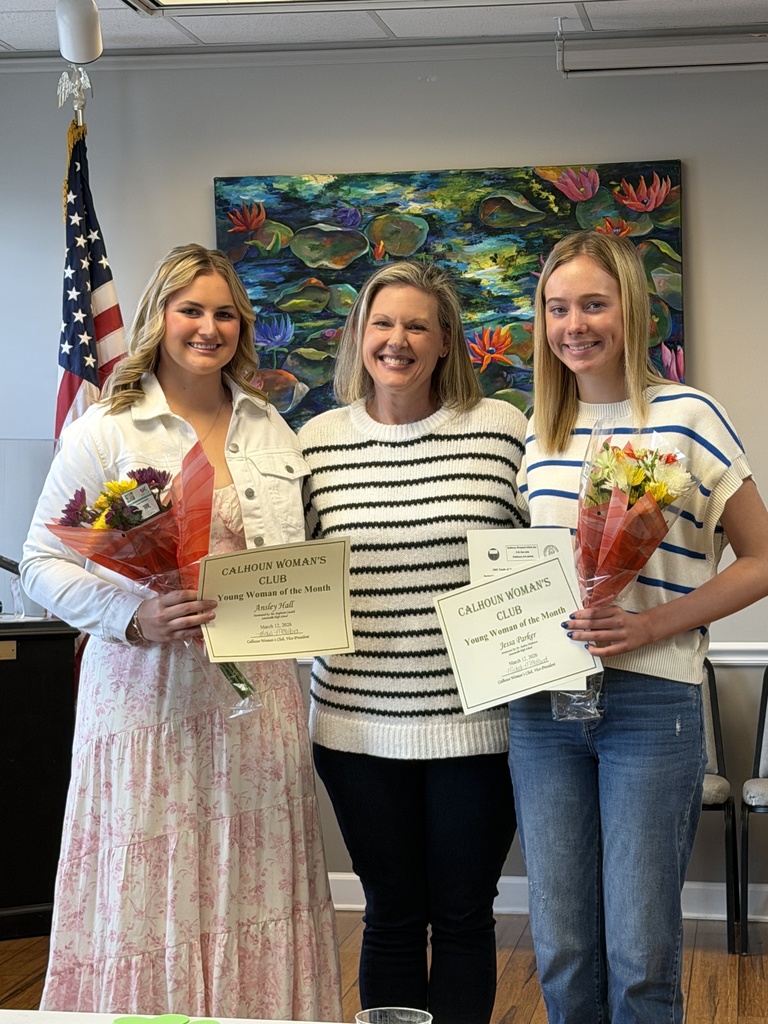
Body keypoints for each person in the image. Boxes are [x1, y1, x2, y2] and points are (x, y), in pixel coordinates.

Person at [20, 244, 342, 1020]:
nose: (208, 326)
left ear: (243, 325)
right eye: (191, 309)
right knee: (150, 875)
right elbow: (39, 562)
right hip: (144, 693)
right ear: (158, 317)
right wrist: (132, 615)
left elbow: (292, 563)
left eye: (225, 312)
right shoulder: (106, 428)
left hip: (256, 696)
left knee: (252, 876)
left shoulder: (273, 430)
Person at [509, 230, 768, 1024]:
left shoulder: (689, 415)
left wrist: (652, 624)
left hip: (653, 709)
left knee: (641, 954)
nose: (574, 324)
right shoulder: (536, 429)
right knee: (558, 943)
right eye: (557, 308)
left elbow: (759, 559)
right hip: (543, 709)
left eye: (594, 303)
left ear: (632, 309)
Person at [298, 260, 528, 1024]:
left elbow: (548, 559)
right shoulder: (313, 443)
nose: (397, 340)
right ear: (359, 336)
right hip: (357, 727)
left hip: (479, 726)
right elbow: (286, 570)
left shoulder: (502, 428)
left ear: (445, 341)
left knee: (464, 914)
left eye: (417, 325)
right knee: (391, 912)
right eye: (382, 323)